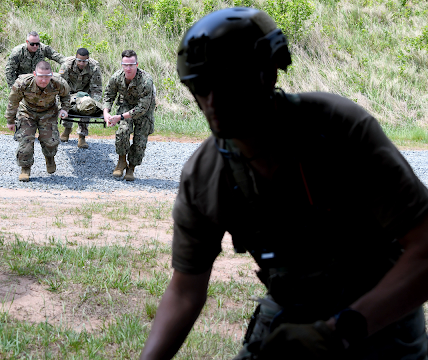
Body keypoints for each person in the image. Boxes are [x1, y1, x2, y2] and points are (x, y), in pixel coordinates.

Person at [140, 8, 428, 360]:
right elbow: (185, 291)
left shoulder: (338, 130)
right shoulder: (205, 175)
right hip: (292, 303)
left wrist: (339, 332)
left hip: (380, 309)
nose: (212, 101)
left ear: (268, 74)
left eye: (229, 82)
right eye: (200, 86)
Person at [6, 61, 71, 182]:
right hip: (27, 112)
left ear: (51, 75)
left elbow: (66, 96)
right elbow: (13, 102)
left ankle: (50, 158)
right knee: (25, 141)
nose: (44, 80)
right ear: (35, 74)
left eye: (47, 76)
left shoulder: (58, 82)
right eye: (41, 76)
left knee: (50, 141)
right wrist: (10, 120)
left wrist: (64, 109)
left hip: (49, 113)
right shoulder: (23, 83)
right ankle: (25, 168)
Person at [103, 49, 156, 181]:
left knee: (139, 142)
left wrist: (119, 117)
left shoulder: (146, 80)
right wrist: (106, 113)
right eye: (125, 65)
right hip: (126, 105)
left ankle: (131, 168)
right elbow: (108, 95)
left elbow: (142, 108)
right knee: (122, 132)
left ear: (136, 65)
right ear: (122, 64)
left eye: (131, 65)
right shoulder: (117, 77)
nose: (128, 68)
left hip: (144, 111)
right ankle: (121, 161)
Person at [58, 47, 103, 149]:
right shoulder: (66, 66)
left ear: (88, 59)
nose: (82, 63)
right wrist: (60, 101)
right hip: (69, 93)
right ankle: (67, 129)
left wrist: (92, 102)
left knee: (87, 106)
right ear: (75, 58)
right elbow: (60, 85)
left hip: (86, 94)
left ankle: (82, 136)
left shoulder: (94, 67)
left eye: (84, 61)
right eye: (79, 61)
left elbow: (97, 88)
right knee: (67, 105)